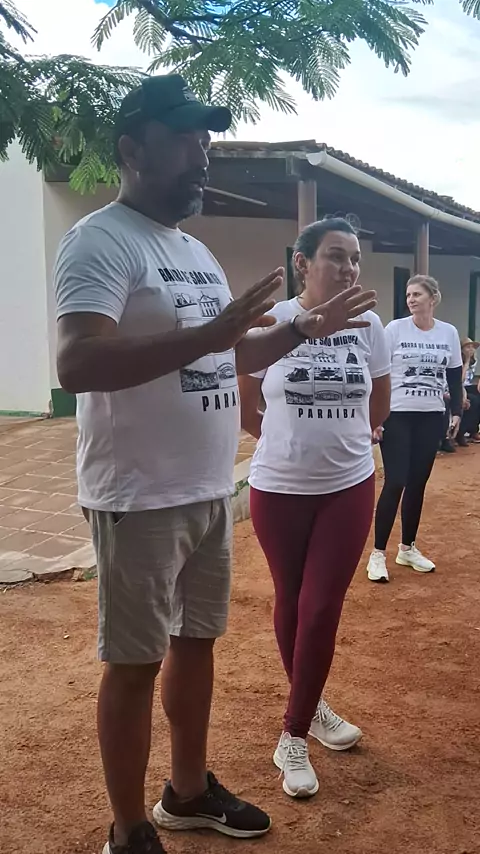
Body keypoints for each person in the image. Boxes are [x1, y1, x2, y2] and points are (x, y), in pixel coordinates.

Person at [53, 76, 378, 854]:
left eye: (207, 139)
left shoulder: (194, 252)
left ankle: (188, 791)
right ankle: (129, 830)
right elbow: (78, 362)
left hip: (204, 488)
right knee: (135, 662)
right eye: (184, 139)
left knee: (195, 643)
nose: (202, 153)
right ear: (132, 149)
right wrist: (214, 334)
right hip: (139, 493)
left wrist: (301, 329)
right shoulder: (101, 240)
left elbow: (229, 353)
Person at [239, 218, 391, 799]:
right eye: (335, 256)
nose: (349, 267)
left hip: (349, 485)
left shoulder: (370, 325)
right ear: (303, 262)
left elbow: (379, 402)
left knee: (322, 604)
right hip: (278, 488)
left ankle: (294, 734)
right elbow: (247, 405)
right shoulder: (275, 321)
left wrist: (340, 440)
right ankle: (315, 707)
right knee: (291, 598)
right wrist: (288, 444)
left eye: (354, 258)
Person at [367, 275, 463, 584]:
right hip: (396, 415)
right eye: (408, 295)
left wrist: (456, 412)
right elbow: (378, 373)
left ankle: (407, 548)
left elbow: (454, 377)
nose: (411, 299)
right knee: (396, 481)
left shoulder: (448, 332)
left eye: (417, 294)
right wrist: (375, 417)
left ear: (433, 298)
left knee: (418, 483)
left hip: (431, 416)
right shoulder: (394, 329)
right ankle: (377, 554)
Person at [456, 337, 480, 446]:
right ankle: (461, 432)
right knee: (473, 400)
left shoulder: (474, 361)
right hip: (458, 386)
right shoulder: (458, 361)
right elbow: (460, 380)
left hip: (468, 386)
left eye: (472, 347)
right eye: (468, 347)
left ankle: (474, 430)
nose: (471, 349)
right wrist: (466, 362)